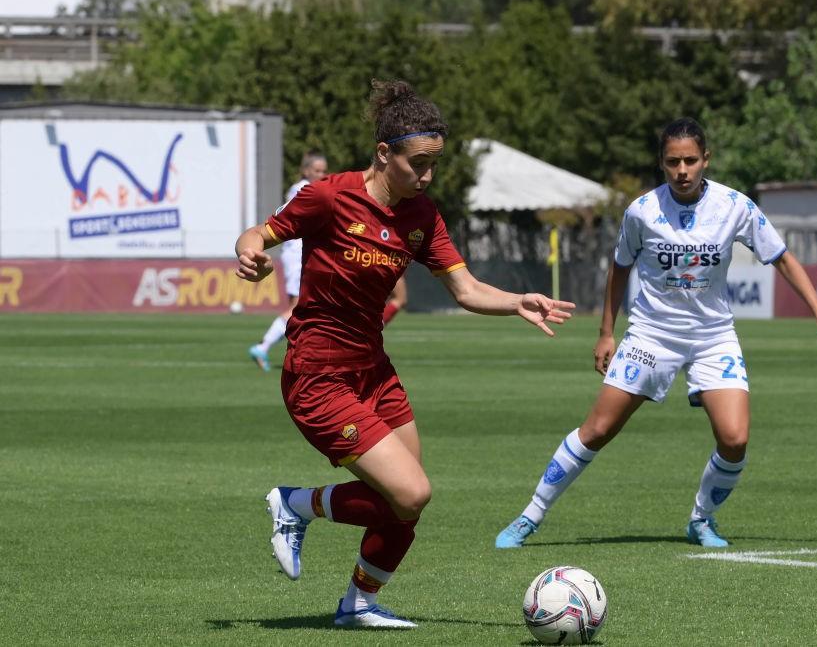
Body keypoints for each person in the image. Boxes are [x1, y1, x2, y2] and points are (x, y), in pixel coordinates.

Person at [234, 79, 574, 629]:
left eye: (435, 163)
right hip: (317, 376)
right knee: (411, 493)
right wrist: (250, 253)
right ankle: (295, 504)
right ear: (384, 154)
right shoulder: (329, 196)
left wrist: (516, 302)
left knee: (405, 500)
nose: (427, 176)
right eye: (418, 163)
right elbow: (260, 233)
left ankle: (358, 603)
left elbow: (464, 290)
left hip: (374, 370)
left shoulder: (422, 216)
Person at [495, 117, 817, 550]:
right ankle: (530, 516)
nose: (682, 170)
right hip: (650, 335)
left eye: (690, 160)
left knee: (735, 439)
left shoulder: (735, 206)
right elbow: (619, 269)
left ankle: (702, 520)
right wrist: (607, 333)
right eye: (672, 162)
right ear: (661, 164)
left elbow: (782, 257)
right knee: (598, 430)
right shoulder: (642, 211)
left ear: (706, 160)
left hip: (713, 336)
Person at [248, 150, 329, 372]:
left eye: (324, 171)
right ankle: (264, 346)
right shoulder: (302, 189)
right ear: (306, 171)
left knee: (304, 306)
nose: (321, 174)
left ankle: (297, 352)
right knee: (297, 307)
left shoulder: (311, 188)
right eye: (317, 170)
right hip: (297, 254)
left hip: (301, 254)